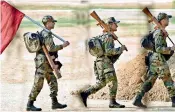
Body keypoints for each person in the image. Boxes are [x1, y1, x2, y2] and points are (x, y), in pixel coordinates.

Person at [80, 17, 126, 108]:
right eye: (115, 23)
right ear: (109, 25)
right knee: (113, 82)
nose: (117, 25)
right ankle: (112, 102)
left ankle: (85, 94)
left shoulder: (102, 36)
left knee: (101, 82)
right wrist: (121, 49)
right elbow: (109, 51)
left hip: (99, 62)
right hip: (105, 62)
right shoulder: (109, 36)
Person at [26, 15, 70, 111]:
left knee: (53, 81)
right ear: (48, 23)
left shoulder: (46, 33)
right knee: (38, 83)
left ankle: (54, 103)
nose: (54, 23)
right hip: (43, 62)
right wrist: (63, 45)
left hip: (48, 61)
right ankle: (29, 104)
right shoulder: (46, 34)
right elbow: (51, 48)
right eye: (52, 22)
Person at [133, 13, 175, 108]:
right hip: (158, 59)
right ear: (163, 20)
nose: (168, 20)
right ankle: (174, 101)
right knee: (168, 79)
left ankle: (137, 99)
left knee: (149, 81)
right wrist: (171, 49)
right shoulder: (159, 32)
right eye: (167, 18)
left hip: (154, 59)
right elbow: (159, 48)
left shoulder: (159, 31)